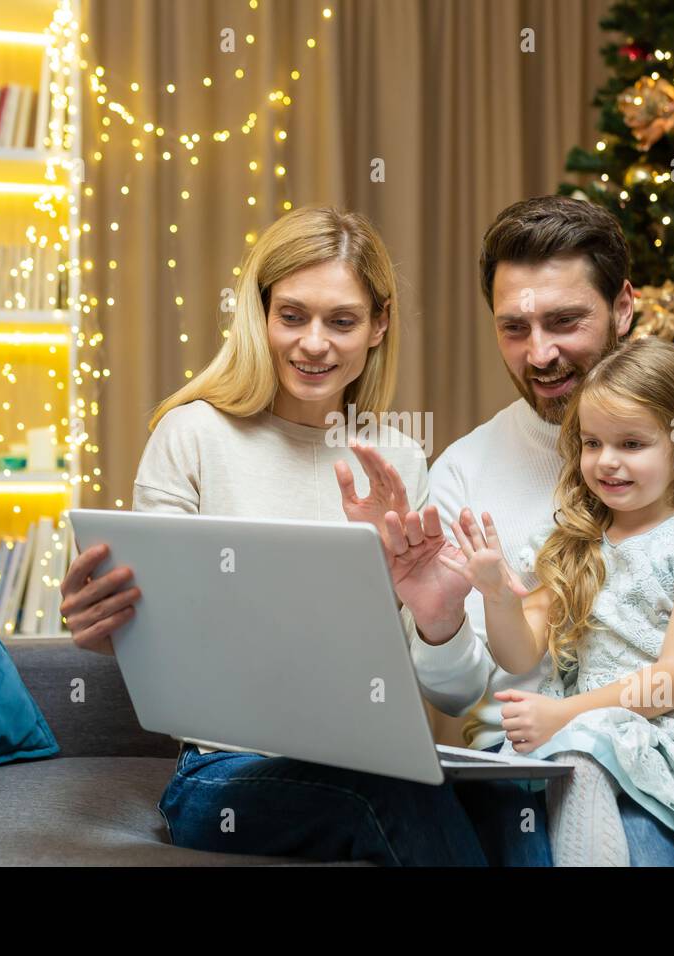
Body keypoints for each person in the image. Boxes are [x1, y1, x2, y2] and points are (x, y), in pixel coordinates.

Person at [64, 195, 674, 866]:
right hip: (514, 755)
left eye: (564, 322)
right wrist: (440, 610)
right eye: (515, 327)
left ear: (624, 308)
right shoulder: (446, 464)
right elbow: (462, 685)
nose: (539, 353)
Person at [60, 204, 549, 866]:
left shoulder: (398, 461)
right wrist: (106, 627)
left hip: (370, 756)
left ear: (378, 326)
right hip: (221, 776)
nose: (313, 343)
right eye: (292, 315)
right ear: (260, 316)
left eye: (341, 321)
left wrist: (437, 620)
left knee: (508, 800)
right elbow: (160, 640)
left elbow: (455, 693)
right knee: (393, 794)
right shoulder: (194, 434)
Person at [441, 335, 674, 865]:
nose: (607, 462)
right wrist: (495, 596)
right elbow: (520, 654)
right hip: (612, 730)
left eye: (632, 444)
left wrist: (563, 713)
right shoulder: (572, 544)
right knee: (577, 755)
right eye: (593, 443)